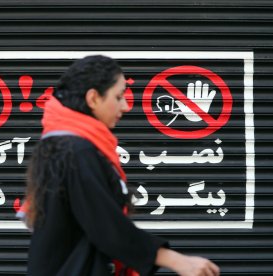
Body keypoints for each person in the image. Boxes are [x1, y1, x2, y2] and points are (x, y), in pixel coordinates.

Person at [20, 55, 220, 276]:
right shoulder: (76, 151)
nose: (125, 106)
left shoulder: (63, 144)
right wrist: (177, 261)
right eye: (118, 97)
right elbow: (105, 226)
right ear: (93, 98)